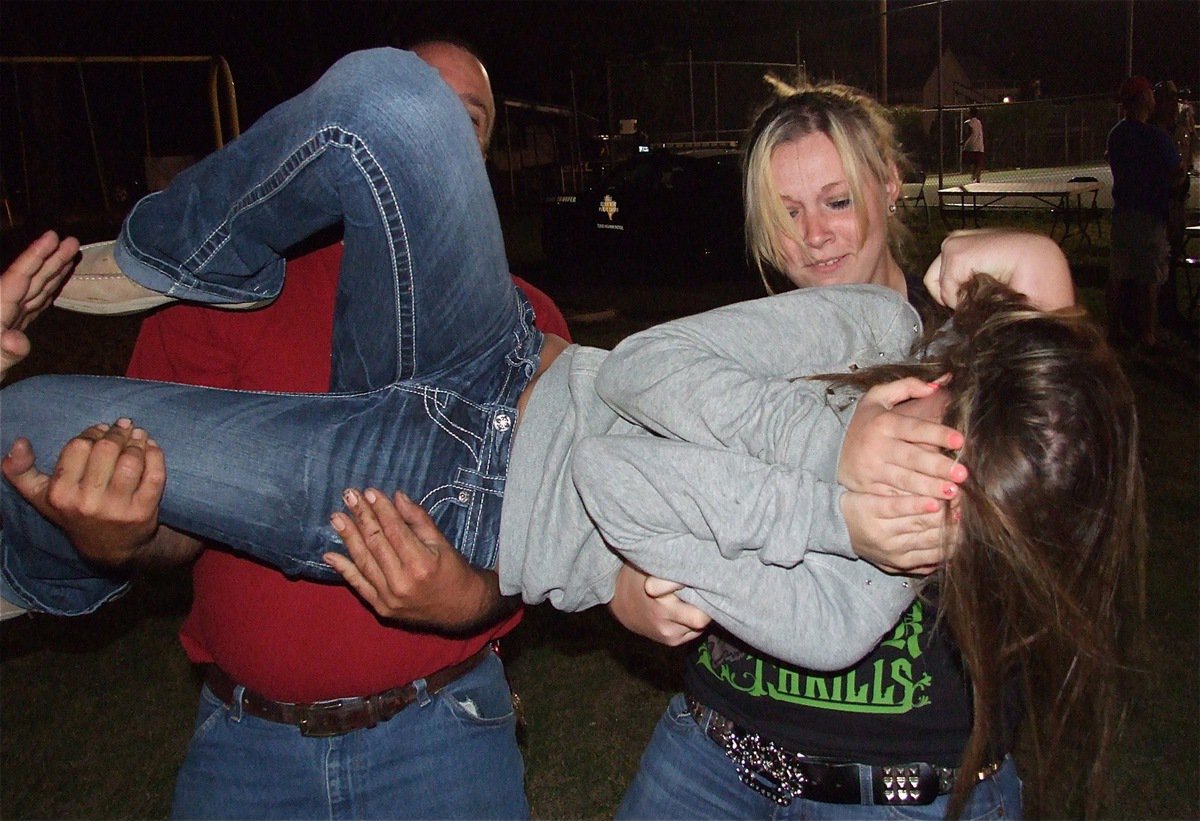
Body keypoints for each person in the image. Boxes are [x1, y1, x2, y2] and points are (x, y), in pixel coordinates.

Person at [0, 54, 1137, 813]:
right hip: (490, 361)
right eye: (793, 207)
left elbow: (610, 470)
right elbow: (644, 366)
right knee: (394, 98)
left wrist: (822, 501)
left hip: (461, 485)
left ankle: (23, 565)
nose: (921, 455)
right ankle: (181, 251)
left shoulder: (848, 611)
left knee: (30, 423)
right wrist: (833, 443)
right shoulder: (882, 320)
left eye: (952, 488)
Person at [6, 42, 566, 819]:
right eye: (427, 111)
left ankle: (165, 240)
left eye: (462, 118)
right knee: (22, 425)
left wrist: (467, 596)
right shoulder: (224, 304)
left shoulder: (527, 323)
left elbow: (541, 540)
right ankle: (180, 244)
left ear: (476, 152)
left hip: (440, 732)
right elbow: (175, 529)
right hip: (248, 748)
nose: (437, 128)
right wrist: (114, 536)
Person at [609, 83, 1137, 820]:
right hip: (712, 755)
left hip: (907, 792)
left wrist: (1044, 270)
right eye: (785, 212)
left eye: (835, 200)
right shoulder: (738, 357)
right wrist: (626, 583)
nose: (812, 236)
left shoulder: (969, 346)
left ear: (888, 186)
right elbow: (643, 475)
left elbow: (1077, 447)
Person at [1106, 75, 1183, 349]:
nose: (1154, 98)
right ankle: (1147, 333)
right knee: (1149, 277)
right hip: (1150, 213)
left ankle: (1112, 331)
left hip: (1123, 211)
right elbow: (1177, 173)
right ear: (1141, 99)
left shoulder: (1116, 134)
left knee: (1119, 273)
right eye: (1150, 94)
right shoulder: (1156, 136)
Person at [961, 106, 985, 183]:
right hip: (979, 146)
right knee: (978, 164)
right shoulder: (979, 122)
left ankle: (974, 177)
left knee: (972, 163)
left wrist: (963, 141)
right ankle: (976, 177)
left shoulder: (968, 123)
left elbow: (968, 132)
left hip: (970, 146)